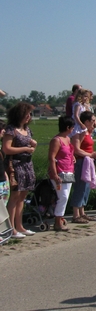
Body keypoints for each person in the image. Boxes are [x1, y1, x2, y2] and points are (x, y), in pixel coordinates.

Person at [2, 102, 37, 239]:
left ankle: (20, 225)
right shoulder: (11, 129)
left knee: (23, 196)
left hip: (27, 164)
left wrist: (32, 144)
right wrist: (25, 149)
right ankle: (11, 228)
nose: (28, 116)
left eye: (29, 114)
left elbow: (28, 142)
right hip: (15, 165)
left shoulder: (27, 130)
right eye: (26, 114)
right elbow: (7, 148)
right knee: (15, 197)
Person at [70, 111, 96, 223]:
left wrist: (93, 155)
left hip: (88, 161)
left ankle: (82, 212)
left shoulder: (88, 132)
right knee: (80, 186)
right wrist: (90, 155)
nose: (94, 123)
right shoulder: (79, 132)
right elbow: (76, 149)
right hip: (81, 162)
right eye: (92, 120)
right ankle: (75, 214)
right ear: (86, 121)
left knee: (86, 187)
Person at [47, 116, 76, 231]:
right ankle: (57, 221)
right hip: (59, 172)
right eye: (72, 127)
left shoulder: (68, 139)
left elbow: (68, 152)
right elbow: (51, 157)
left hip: (69, 170)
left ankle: (60, 218)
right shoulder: (56, 140)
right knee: (62, 196)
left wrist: (72, 156)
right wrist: (54, 174)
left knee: (65, 196)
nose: (73, 129)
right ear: (68, 127)